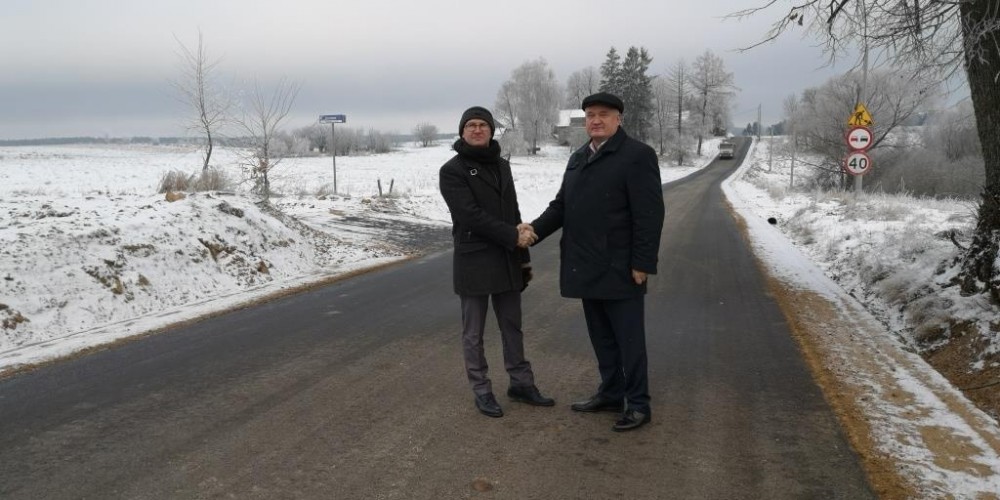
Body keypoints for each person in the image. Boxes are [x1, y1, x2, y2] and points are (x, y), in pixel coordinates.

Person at [521, 92, 664, 432]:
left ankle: (638, 404)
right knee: (601, 337)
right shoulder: (578, 158)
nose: (595, 120)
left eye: (603, 114)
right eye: (590, 115)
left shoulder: (637, 156)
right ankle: (611, 393)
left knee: (629, 340)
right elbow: (561, 206)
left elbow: (650, 214)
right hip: (585, 264)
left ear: (618, 119)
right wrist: (532, 231)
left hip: (621, 266)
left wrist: (642, 262)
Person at [439, 106, 555, 418]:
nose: (477, 130)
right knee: (473, 333)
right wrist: (512, 236)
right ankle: (482, 390)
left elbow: (513, 212)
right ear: (462, 132)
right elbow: (469, 215)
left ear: (491, 131)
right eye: (471, 125)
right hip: (474, 260)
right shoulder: (452, 170)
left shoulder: (502, 165)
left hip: (506, 259)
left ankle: (521, 383)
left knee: (512, 326)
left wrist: (523, 258)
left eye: (483, 125)